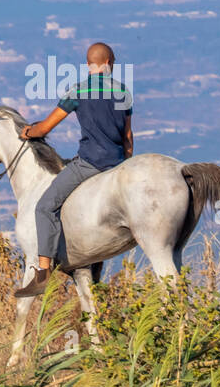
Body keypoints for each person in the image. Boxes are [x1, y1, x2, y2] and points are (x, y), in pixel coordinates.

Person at [14, 42, 133, 297]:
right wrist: (125, 162)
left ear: (88, 65)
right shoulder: (123, 91)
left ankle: (43, 272)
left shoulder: (78, 90)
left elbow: (45, 128)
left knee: (45, 206)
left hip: (89, 164)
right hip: (118, 164)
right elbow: (128, 138)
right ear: (110, 63)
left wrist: (28, 132)